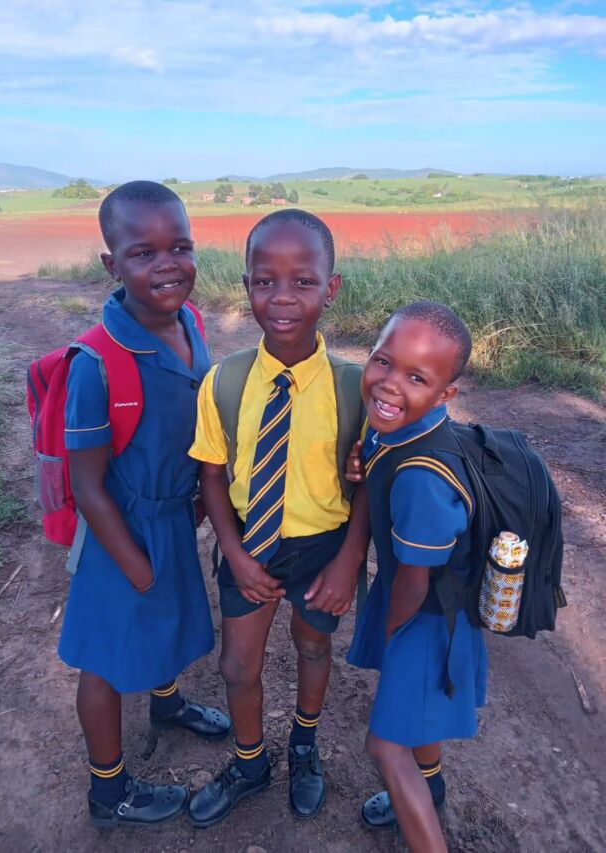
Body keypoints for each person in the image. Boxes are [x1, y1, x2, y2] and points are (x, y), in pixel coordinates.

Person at [187, 209, 369, 827]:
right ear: (246, 287)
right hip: (249, 543)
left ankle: (304, 745)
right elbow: (213, 474)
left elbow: (369, 485)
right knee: (237, 665)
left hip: (324, 547)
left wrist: (348, 562)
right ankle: (249, 763)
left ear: (331, 288)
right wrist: (235, 554)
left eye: (303, 281)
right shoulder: (225, 381)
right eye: (265, 281)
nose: (283, 297)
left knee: (314, 645)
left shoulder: (355, 389)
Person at [58, 181, 230, 829]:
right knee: (103, 658)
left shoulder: (191, 323)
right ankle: (109, 790)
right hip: (119, 532)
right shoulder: (96, 362)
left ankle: (167, 702)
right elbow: (87, 485)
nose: (167, 265)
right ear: (112, 264)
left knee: (167, 617)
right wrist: (133, 563)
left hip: (173, 516)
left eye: (180, 246)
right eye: (142, 253)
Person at [346, 301, 487, 853]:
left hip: (426, 622)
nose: (390, 385)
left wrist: (391, 634)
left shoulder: (422, 478)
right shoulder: (398, 429)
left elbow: (414, 582)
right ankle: (432, 785)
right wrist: (362, 463)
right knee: (417, 720)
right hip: (428, 609)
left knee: (385, 747)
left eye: (416, 378)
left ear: (446, 394)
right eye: (383, 361)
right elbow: (375, 458)